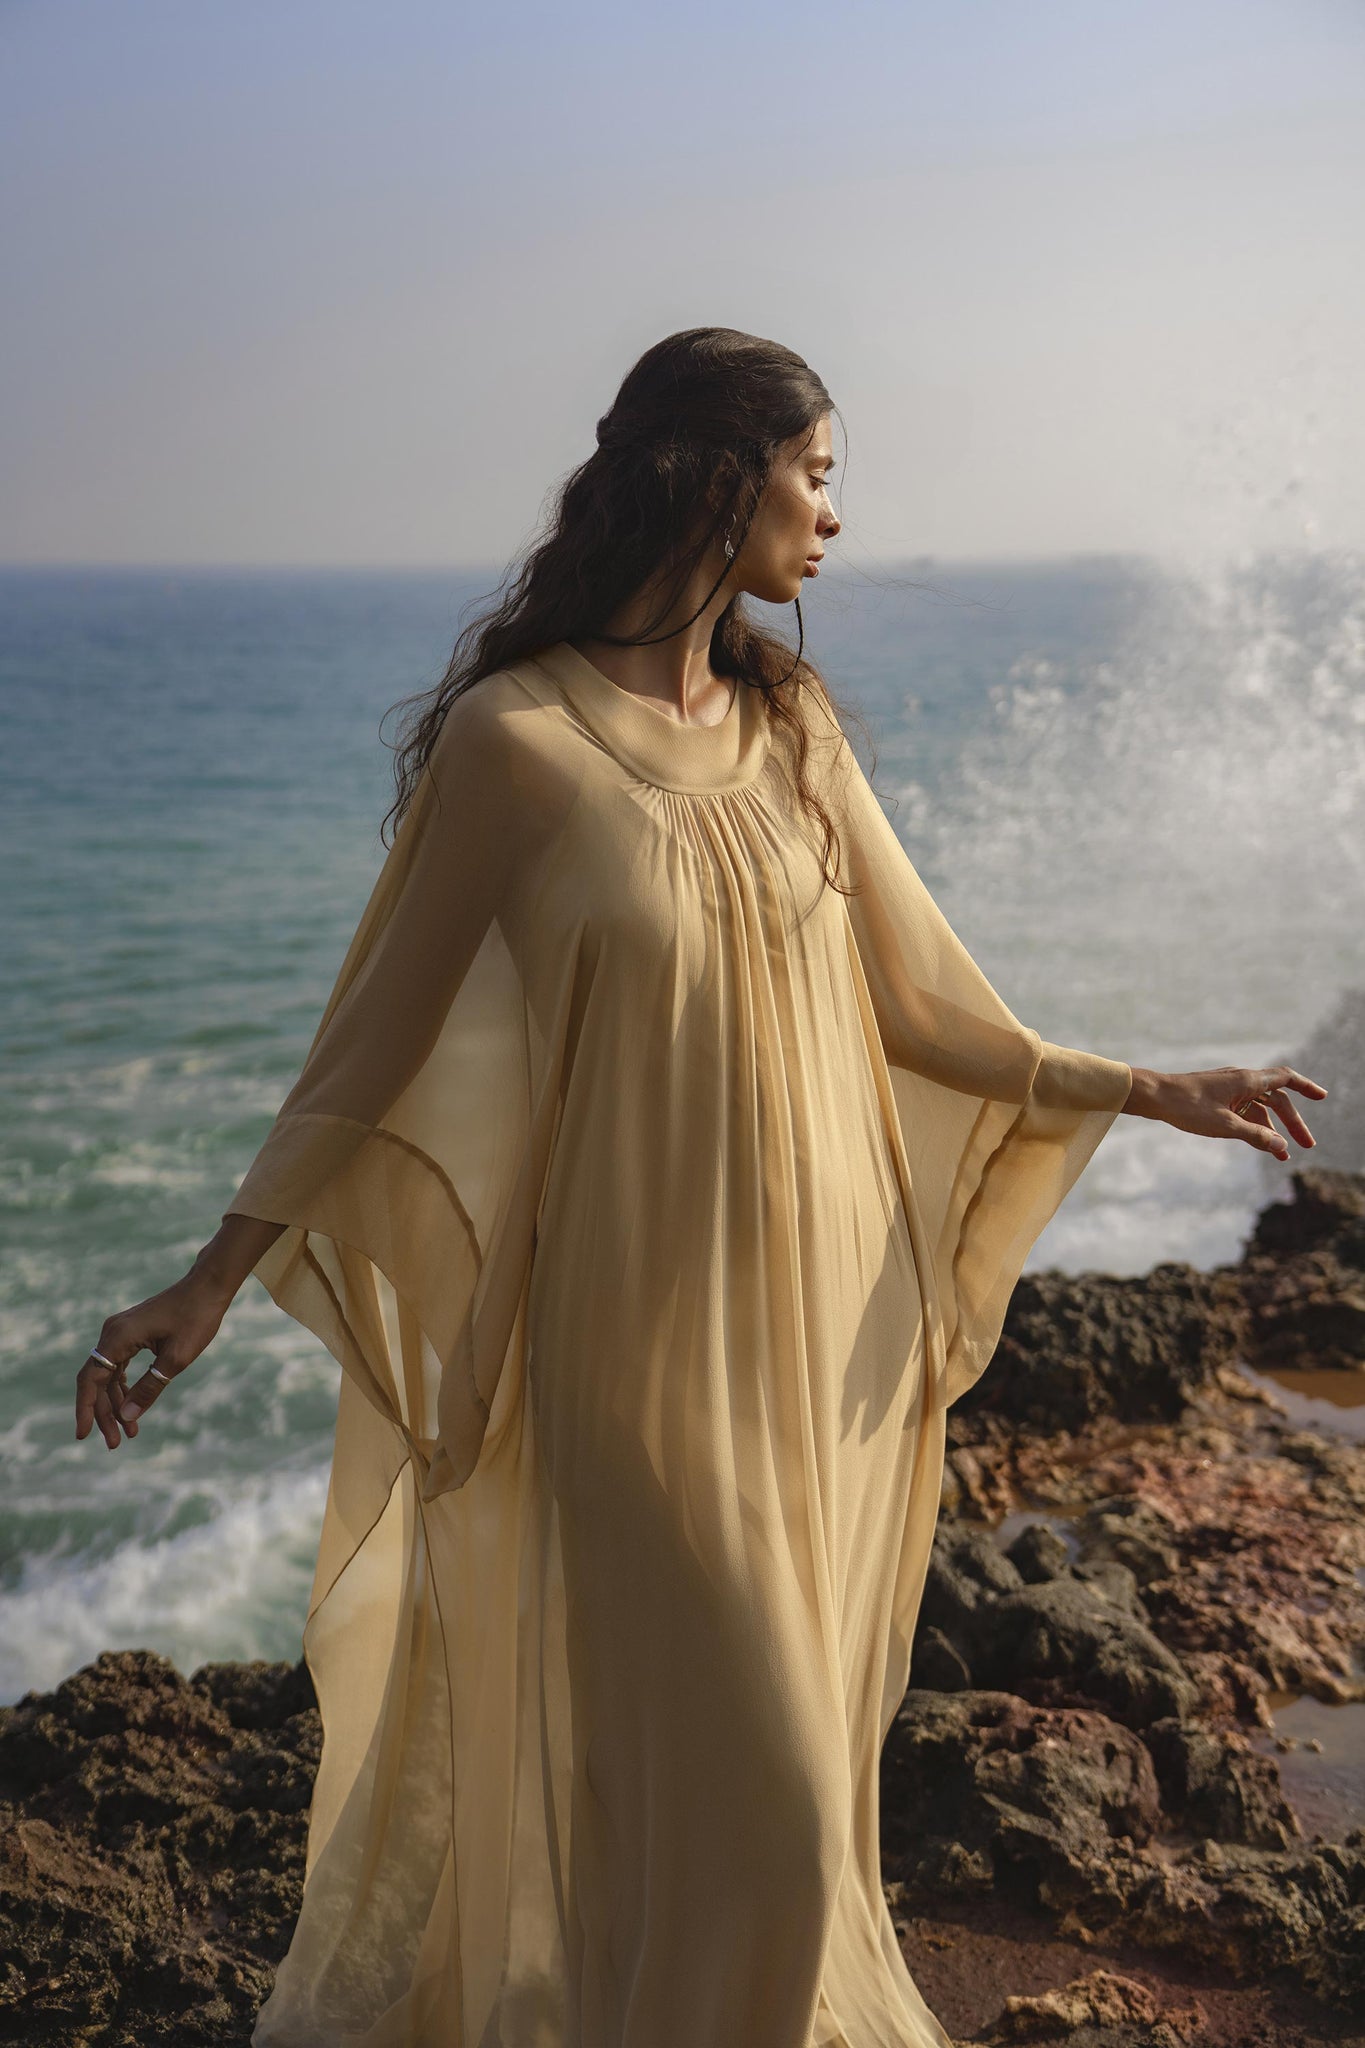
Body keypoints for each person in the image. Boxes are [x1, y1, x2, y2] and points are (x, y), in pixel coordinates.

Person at [75, 327, 1325, 2048]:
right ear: (721, 480)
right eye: (815, 474)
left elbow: (918, 1004)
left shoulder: (790, 726)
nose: (835, 516)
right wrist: (214, 1276)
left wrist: (1145, 1087)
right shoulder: (515, 742)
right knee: (776, 1819)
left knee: (733, 1816)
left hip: (814, 1341)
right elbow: (367, 1048)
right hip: (630, 1353)